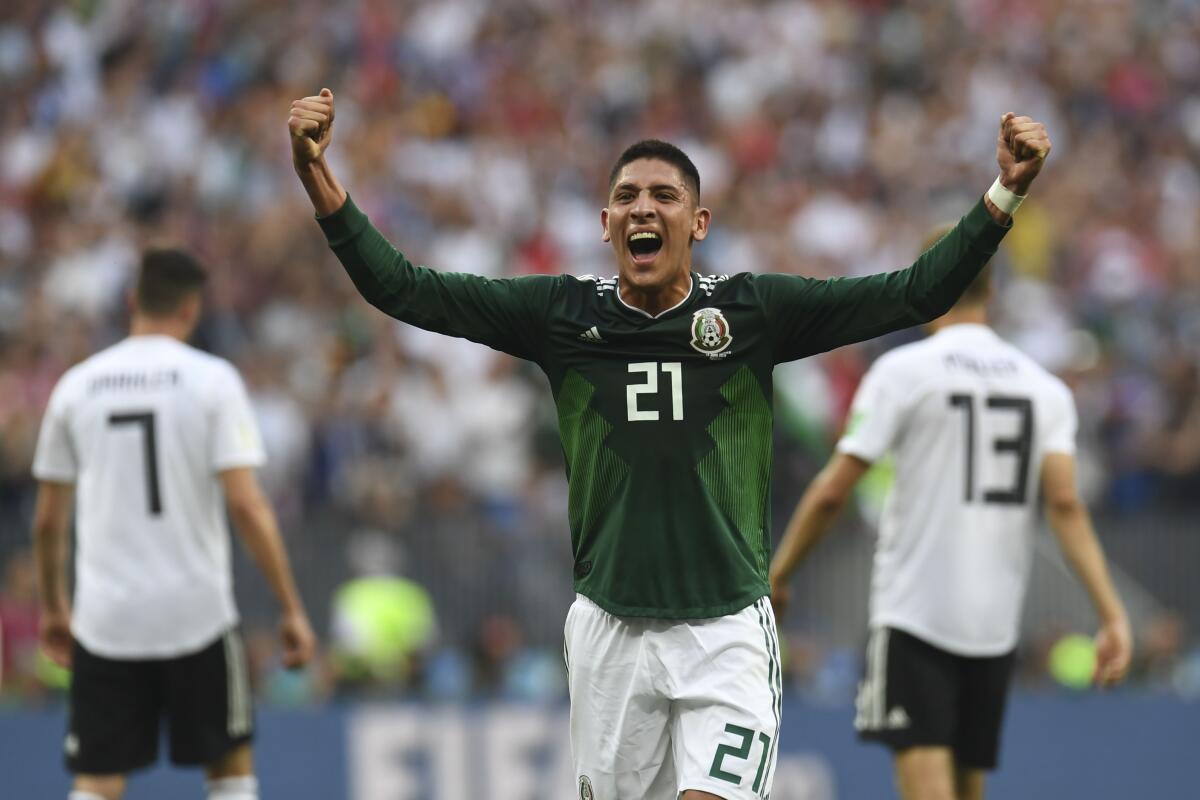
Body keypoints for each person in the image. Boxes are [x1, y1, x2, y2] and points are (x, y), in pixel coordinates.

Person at [288, 86, 1050, 799]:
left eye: (662, 196)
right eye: (625, 197)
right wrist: (318, 175)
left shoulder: (754, 313)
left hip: (724, 630)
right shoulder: (561, 313)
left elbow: (915, 292)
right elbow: (404, 288)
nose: (641, 208)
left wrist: (1004, 194)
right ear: (605, 224)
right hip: (610, 630)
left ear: (699, 222)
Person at [768, 233, 1133, 800]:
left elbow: (832, 491)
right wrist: (1111, 614)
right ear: (995, 286)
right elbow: (1064, 504)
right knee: (968, 789)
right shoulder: (1044, 387)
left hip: (916, 615)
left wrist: (782, 572)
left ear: (933, 275)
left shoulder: (903, 371)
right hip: (991, 626)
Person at [31, 249, 316, 800]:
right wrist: (290, 607)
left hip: (107, 618)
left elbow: (47, 521)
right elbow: (247, 506)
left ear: (133, 301)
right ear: (192, 309)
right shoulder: (212, 381)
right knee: (230, 768)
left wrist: (53, 607)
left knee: (97, 779)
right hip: (198, 614)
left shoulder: (76, 387)